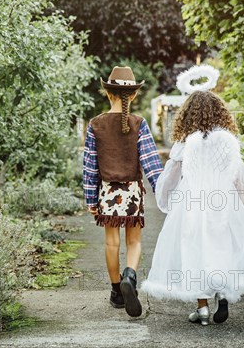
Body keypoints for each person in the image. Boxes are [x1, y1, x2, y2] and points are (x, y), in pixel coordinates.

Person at [141, 90, 244, 325]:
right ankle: (222, 294)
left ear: (187, 115)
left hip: (192, 204)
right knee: (221, 248)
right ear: (220, 113)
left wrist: (164, 198)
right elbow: (239, 176)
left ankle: (202, 308)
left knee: (195, 251)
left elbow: (171, 175)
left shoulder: (185, 142)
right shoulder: (227, 141)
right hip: (223, 202)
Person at [83, 66, 163, 317]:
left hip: (108, 191)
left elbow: (90, 165)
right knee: (134, 241)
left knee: (111, 241)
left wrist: (90, 197)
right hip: (132, 192)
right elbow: (151, 162)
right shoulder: (139, 123)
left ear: (108, 94)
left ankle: (117, 290)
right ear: (134, 96)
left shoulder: (96, 124)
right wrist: (162, 190)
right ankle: (131, 275)